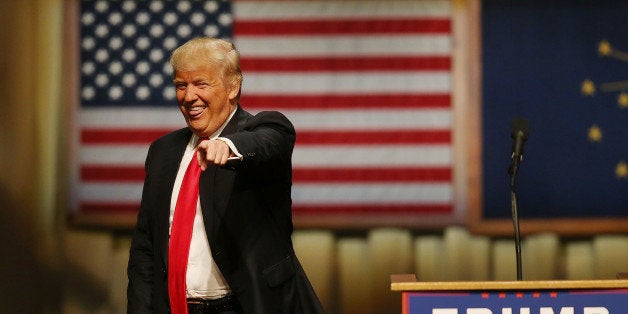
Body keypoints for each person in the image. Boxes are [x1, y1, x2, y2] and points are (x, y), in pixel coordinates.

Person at [127, 37, 324, 314]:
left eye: (201, 84)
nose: (188, 96)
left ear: (233, 87)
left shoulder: (263, 130)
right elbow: (146, 246)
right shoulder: (163, 152)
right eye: (181, 86)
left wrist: (228, 146)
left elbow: (269, 142)